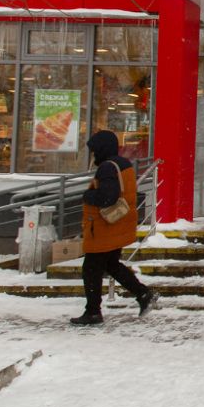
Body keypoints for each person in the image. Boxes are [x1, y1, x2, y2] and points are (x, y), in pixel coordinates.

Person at [70, 130, 158, 326]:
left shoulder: (107, 168)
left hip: (103, 228)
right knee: (111, 265)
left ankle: (93, 312)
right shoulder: (123, 164)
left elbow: (107, 198)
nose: (93, 155)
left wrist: (87, 195)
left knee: (91, 269)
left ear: (102, 149)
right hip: (116, 226)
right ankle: (143, 293)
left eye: (95, 150)